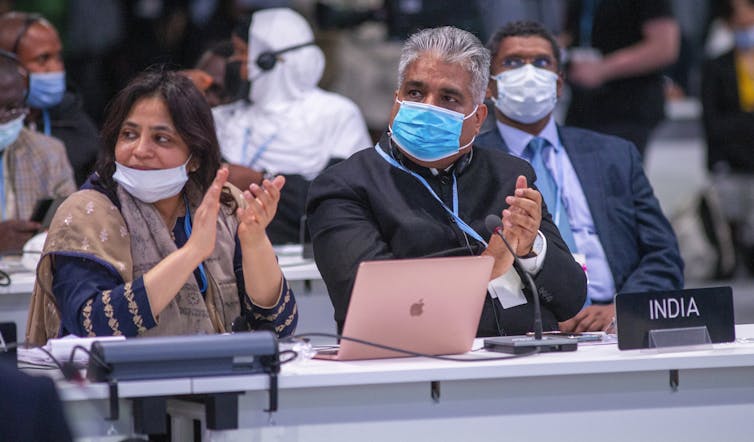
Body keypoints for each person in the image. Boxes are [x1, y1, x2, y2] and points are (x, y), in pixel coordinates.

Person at [306, 26, 587, 337]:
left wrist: (531, 250)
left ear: (478, 119)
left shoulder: (511, 176)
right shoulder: (344, 187)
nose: (428, 106)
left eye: (448, 98)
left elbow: (571, 300)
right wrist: (490, 265)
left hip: (527, 360)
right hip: (413, 368)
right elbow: (369, 305)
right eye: (415, 92)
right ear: (396, 99)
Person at [26, 70, 297, 346]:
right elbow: (92, 325)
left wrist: (254, 242)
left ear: (195, 158)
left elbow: (278, 325)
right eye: (129, 134)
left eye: (162, 139)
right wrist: (191, 253)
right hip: (115, 384)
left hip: (219, 378)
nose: (140, 150)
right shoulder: (86, 212)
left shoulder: (223, 205)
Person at [477, 21, 683, 332]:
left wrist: (622, 308)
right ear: (490, 87)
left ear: (559, 84)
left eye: (542, 62)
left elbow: (663, 255)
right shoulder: (473, 163)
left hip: (617, 326)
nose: (529, 72)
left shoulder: (614, 155)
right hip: (528, 330)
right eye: (514, 62)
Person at [214, 7, 371, 244]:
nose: (233, 63)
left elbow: (341, 200)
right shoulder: (221, 118)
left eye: (242, 53)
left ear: (268, 61)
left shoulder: (336, 114)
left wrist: (260, 180)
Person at [561, 0, 680, 157]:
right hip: (582, 103)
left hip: (628, 107)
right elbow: (572, 34)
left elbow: (664, 47)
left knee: (615, 174)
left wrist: (603, 69)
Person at [0, 11, 101, 186]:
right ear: (6, 65)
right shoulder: (5, 132)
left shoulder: (72, 119)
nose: (57, 68)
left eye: (58, 57)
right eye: (43, 59)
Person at [0, 49, 75, 253]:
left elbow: (76, 226)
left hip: (32, 278)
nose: (3, 118)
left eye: (13, 107)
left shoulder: (49, 152)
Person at [701, 0, 754, 273]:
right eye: (741, 24)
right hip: (732, 161)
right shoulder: (717, 66)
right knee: (733, 227)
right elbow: (712, 121)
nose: (747, 29)